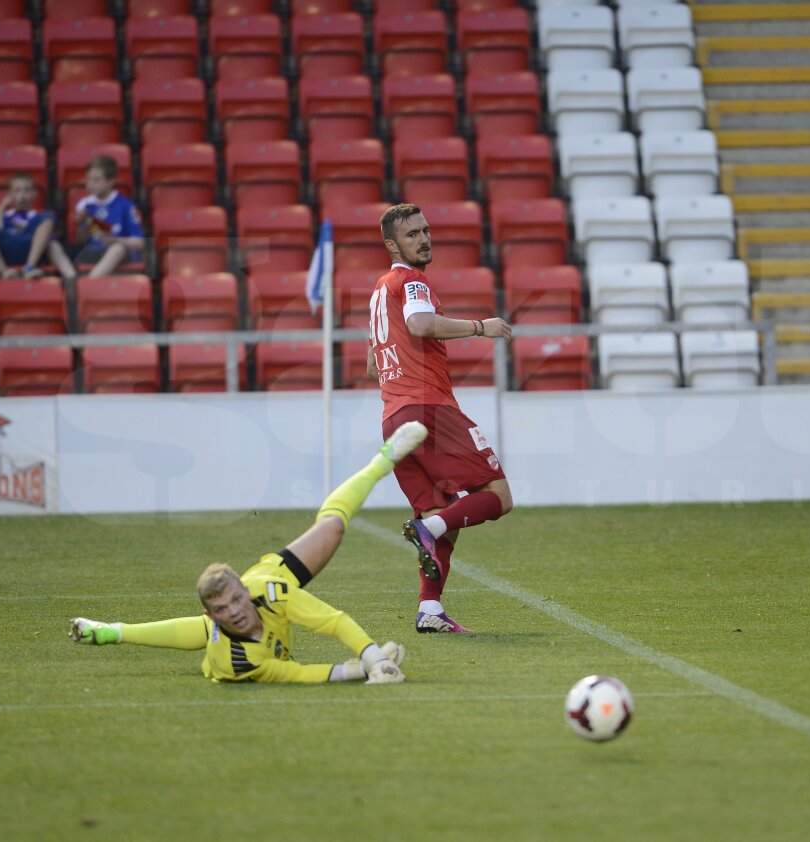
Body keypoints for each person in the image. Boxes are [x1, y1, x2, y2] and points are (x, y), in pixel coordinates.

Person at [68, 421, 431, 684]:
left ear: (244, 592)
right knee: (197, 634)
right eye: (221, 610)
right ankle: (109, 632)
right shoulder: (234, 663)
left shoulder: (267, 591)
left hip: (270, 574)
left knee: (332, 527)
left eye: (235, 602)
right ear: (211, 615)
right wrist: (360, 670)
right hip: (228, 640)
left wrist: (372, 656)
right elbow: (292, 673)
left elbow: (331, 620)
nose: (234, 613)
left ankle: (382, 461)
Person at [368, 202, 514, 634]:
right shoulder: (412, 280)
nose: (424, 239)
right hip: (429, 407)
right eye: (412, 234)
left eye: (425, 230)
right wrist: (480, 327)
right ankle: (427, 528)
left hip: (394, 417)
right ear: (393, 245)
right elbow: (421, 325)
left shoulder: (379, 291)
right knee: (498, 496)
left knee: (441, 512)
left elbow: (372, 365)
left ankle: (429, 609)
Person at [0, 172, 77, 281]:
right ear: (10, 195)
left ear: (34, 193)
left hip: (31, 247)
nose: (22, 195)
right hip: (7, 249)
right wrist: (2, 207)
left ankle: (29, 267)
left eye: (27, 190)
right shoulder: (1, 215)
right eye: (17, 191)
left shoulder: (40, 217)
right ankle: (4, 272)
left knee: (50, 223)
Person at [72, 155, 144, 278]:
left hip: (122, 252)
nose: (90, 185)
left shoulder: (126, 205)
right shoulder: (85, 205)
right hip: (95, 251)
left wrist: (116, 240)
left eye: (96, 180)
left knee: (117, 249)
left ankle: (87, 286)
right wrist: (79, 225)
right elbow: (81, 242)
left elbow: (140, 243)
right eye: (88, 179)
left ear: (110, 181)